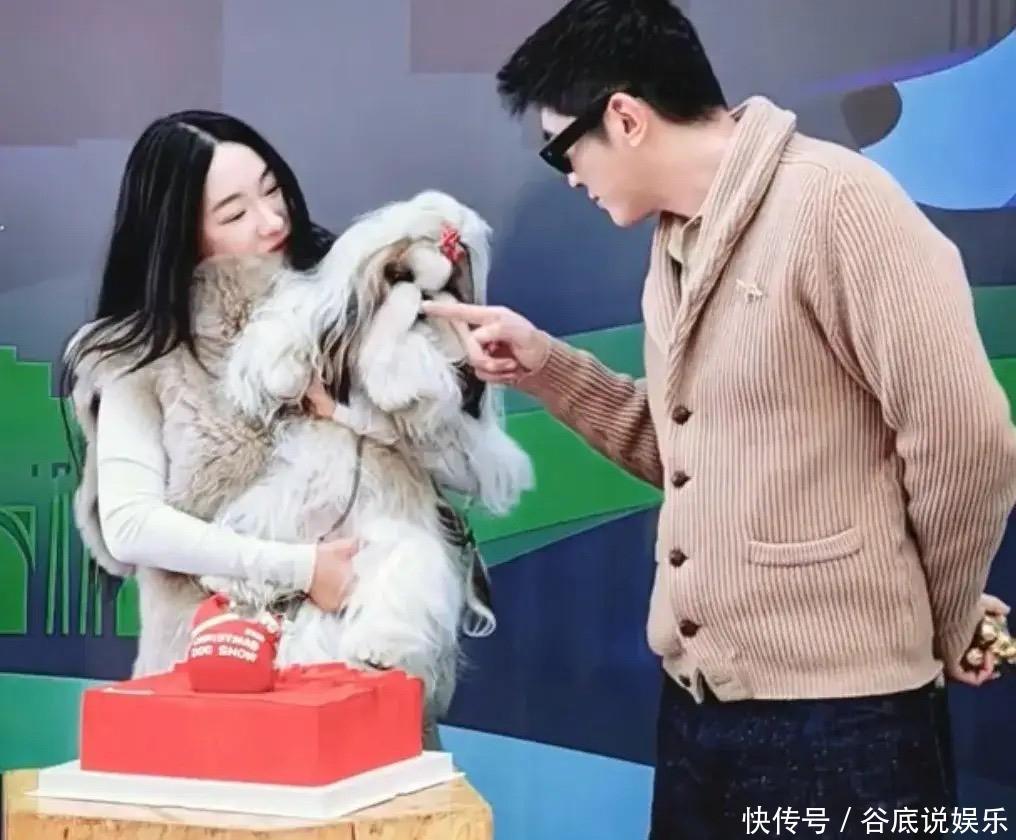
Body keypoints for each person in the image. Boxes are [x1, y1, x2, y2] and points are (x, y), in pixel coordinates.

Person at [423, 0, 1016, 836]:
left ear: (625, 118)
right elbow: (686, 456)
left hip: (843, 723)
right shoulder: (676, 243)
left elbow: (967, 439)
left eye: (562, 148)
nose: (569, 176)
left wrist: (947, 618)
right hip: (700, 709)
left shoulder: (838, 204)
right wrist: (547, 367)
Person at [63, 110, 359, 677]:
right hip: (206, 674)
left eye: (272, 190)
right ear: (182, 236)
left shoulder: (346, 307)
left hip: (354, 662)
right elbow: (131, 525)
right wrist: (300, 569)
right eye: (235, 213)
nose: (272, 221)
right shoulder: (140, 355)